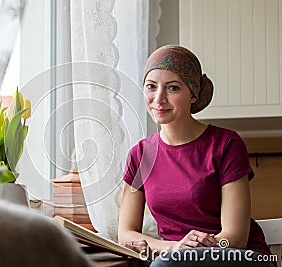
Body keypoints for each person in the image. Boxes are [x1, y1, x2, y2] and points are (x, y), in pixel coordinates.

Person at [118, 45, 276, 266]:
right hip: (176, 260)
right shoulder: (140, 155)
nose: (159, 98)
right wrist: (174, 248)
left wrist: (188, 252)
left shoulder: (226, 144)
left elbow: (236, 238)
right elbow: (126, 235)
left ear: (193, 94)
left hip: (238, 257)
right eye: (151, 87)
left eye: (173, 88)